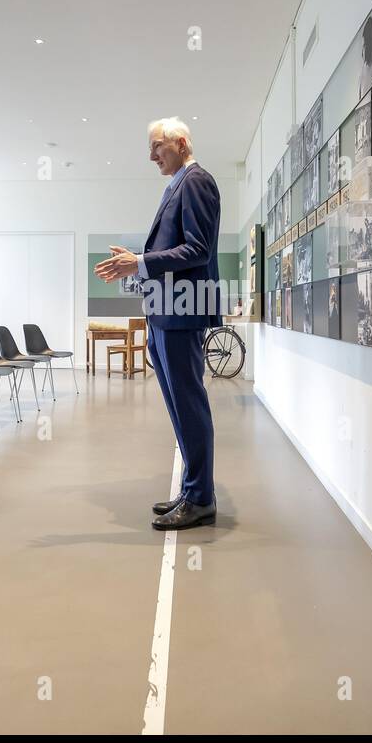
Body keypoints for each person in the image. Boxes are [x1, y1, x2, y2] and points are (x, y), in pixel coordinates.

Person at [94, 118, 221, 531]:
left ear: (181, 143)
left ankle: (201, 498)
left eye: (157, 147)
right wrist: (137, 261)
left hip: (181, 314)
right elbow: (176, 249)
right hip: (167, 312)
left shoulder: (197, 182)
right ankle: (191, 489)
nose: (151, 156)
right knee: (179, 408)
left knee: (189, 406)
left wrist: (141, 261)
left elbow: (198, 250)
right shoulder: (177, 185)